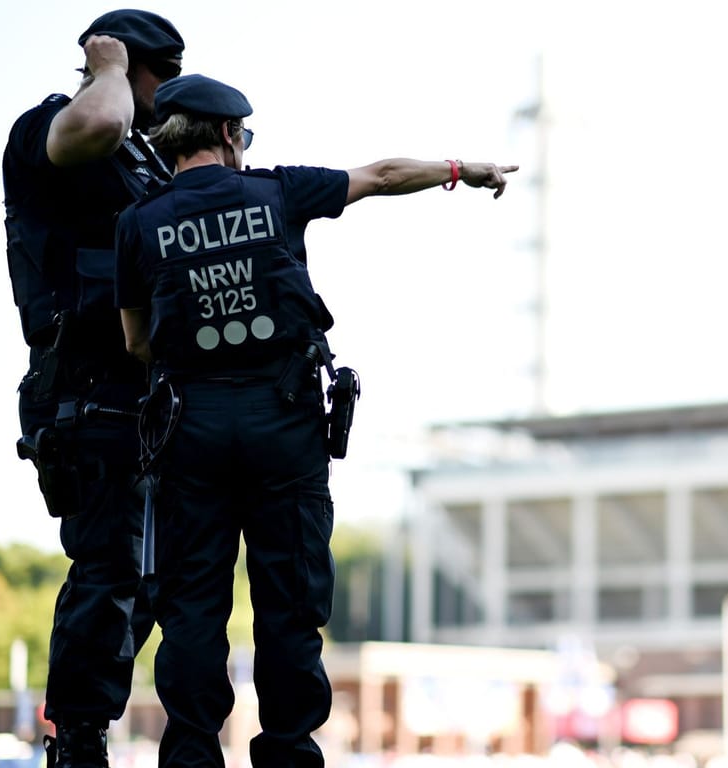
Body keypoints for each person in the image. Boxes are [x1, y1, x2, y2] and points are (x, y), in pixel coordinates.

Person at [113, 74, 516, 768]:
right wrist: (463, 170)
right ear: (229, 136)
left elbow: (137, 341)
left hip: (193, 433)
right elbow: (383, 175)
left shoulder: (138, 223)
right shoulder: (279, 191)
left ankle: (190, 756)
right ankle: (290, 753)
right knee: (291, 604)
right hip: (284, 424)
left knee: (192, 609)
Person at [1, 10, 184, 767]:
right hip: (85, 384)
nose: (168, 91)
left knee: (147, 583)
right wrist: (106, 67)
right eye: (160, 75)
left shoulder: (145, 159)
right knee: (109, 568)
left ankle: (90, 730)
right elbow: (100, 123)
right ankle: (73, 743)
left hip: (147, 394)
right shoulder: (56, 128)